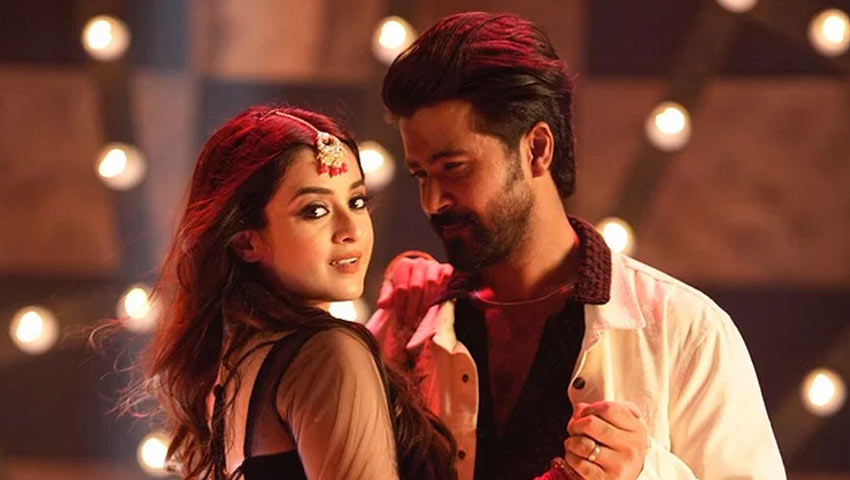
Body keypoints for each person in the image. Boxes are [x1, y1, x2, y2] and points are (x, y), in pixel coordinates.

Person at [367, 11, 787, 480]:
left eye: (454, 167)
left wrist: (645, 471)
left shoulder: (686, 329)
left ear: (537, 149)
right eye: (420, 174)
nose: (432, 201)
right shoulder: (409, 323)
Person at [121, 106, 457, 480]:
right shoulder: (327, 353)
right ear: (246, 242)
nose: (351, 230)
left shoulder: (232, 368)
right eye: (315, 210)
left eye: (357, 201)